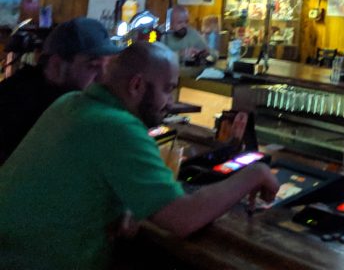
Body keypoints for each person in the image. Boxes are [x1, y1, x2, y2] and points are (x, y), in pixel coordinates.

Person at [0, 41, 279, 270]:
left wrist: (123, 204)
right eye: (168, 89)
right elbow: (182, 219)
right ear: (136, 85)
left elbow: (75, 183)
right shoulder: (119, 128)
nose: (170, 103)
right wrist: (254, 173)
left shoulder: (71, 103)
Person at [0, 17, 120, 165]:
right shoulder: (16, 102)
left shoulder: (76, 100)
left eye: (106, 67)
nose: (102, 77)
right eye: (92, 66)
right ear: (57, 65)